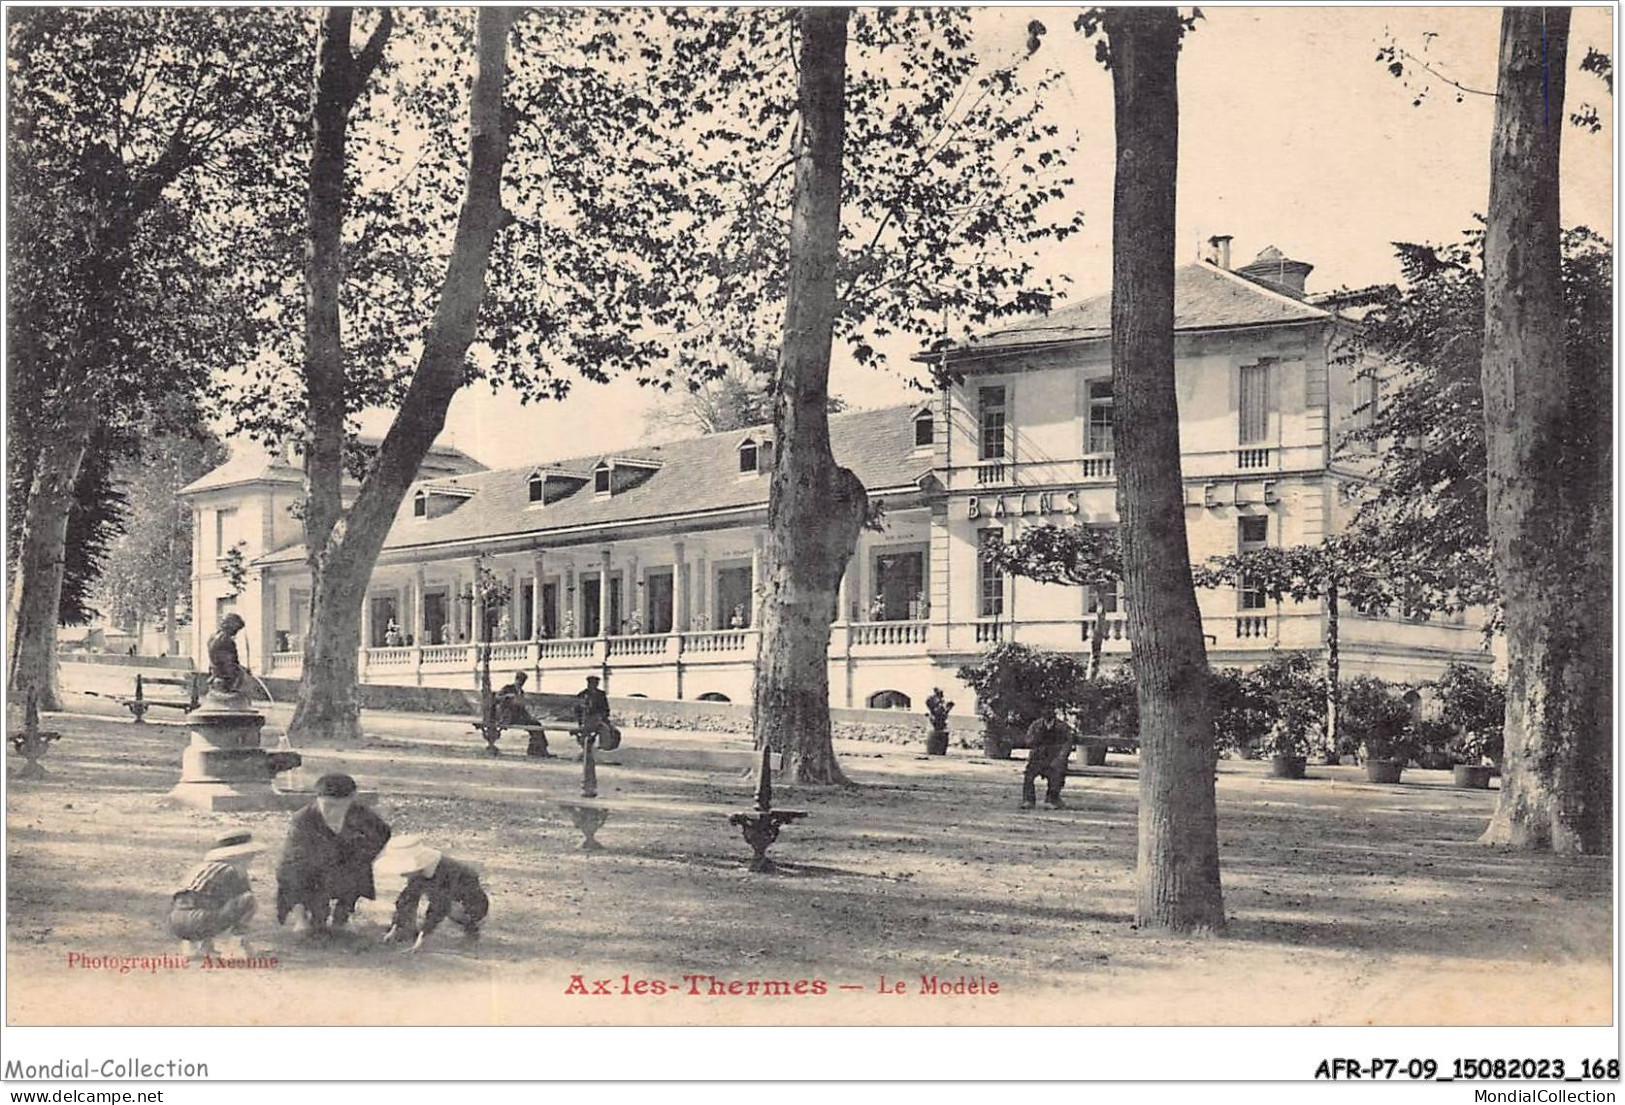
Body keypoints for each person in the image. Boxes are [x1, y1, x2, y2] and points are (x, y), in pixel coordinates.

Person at [275, 773, 392, 938]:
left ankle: (343, 916)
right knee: (291, 873)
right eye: (327, 806)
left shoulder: (361, 814)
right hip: (309, 869)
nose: (332, 812)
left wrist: (363, 854)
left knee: (359, 866)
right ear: (317, 799)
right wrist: (302, 914)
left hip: (343, 864)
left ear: (351, 799)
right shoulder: (303, 820)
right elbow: (291, 864)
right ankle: (303, 918)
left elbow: (383, 833)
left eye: (339, 806)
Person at [377, 836, 489, 952]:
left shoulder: (445, 872)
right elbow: (407, 898)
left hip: (472, 904)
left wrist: (422, 938)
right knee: (409, 896)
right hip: (446, 896)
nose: (401, 874)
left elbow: (439, 907)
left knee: (453, 910)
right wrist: (395, 927)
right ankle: (406, 930)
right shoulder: (421, 870)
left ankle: (471, 929)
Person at [169, 830, 265, 957]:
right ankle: (235, 947)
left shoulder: (201, 867)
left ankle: (194, 947)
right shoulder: (232, 871)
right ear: (241, 855)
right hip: (200, 920)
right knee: (248, 900)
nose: (251, 859)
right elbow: (238, 903)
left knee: (205, 901)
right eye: (250, 856)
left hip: (176, 921)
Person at [1021, 709, 1073, 810]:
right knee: (1029, 774)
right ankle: (1028, 800)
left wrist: (1060, 758)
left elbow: (1067, 744)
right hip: (1039, 757)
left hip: (1055, 757)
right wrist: (1035, 738)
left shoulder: (1062, 727)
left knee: (1056, 773)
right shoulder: (1036, 726)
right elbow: (1028, 741)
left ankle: (1052, 799)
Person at [493, 671, 552, 758]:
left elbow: (522, 708)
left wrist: (529, 716)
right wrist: (507, 696)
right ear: (516, 679)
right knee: (535, 725)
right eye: (520, 681)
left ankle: (538, 749)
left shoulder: (521, 692)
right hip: (508, 717)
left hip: (519, 717)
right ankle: (537, 750)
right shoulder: (508, 688)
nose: (521, 684)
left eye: (523, 682)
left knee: (537, 725)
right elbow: (496, 698)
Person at [574, 675, 620, 752]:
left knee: (612, 731)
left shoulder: (601, 694)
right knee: (587, 731)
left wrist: (603, 716)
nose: (593, 685)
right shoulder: (582, 694)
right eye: (592, 683)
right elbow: (577, 710)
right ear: (588, 683)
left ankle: (604, 746)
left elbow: (605, 708)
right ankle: (586, 748)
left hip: (599, 719)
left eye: (595, 683)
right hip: (586, 720)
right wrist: (580, 720)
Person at [206, 613, 248, 695]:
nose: (236, 632)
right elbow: (230, 663)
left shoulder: (212, 637)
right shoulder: (227, 641)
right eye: (236, 629)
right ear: (230, 626)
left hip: (215, 673)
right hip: (226, 678)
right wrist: (242, 670)